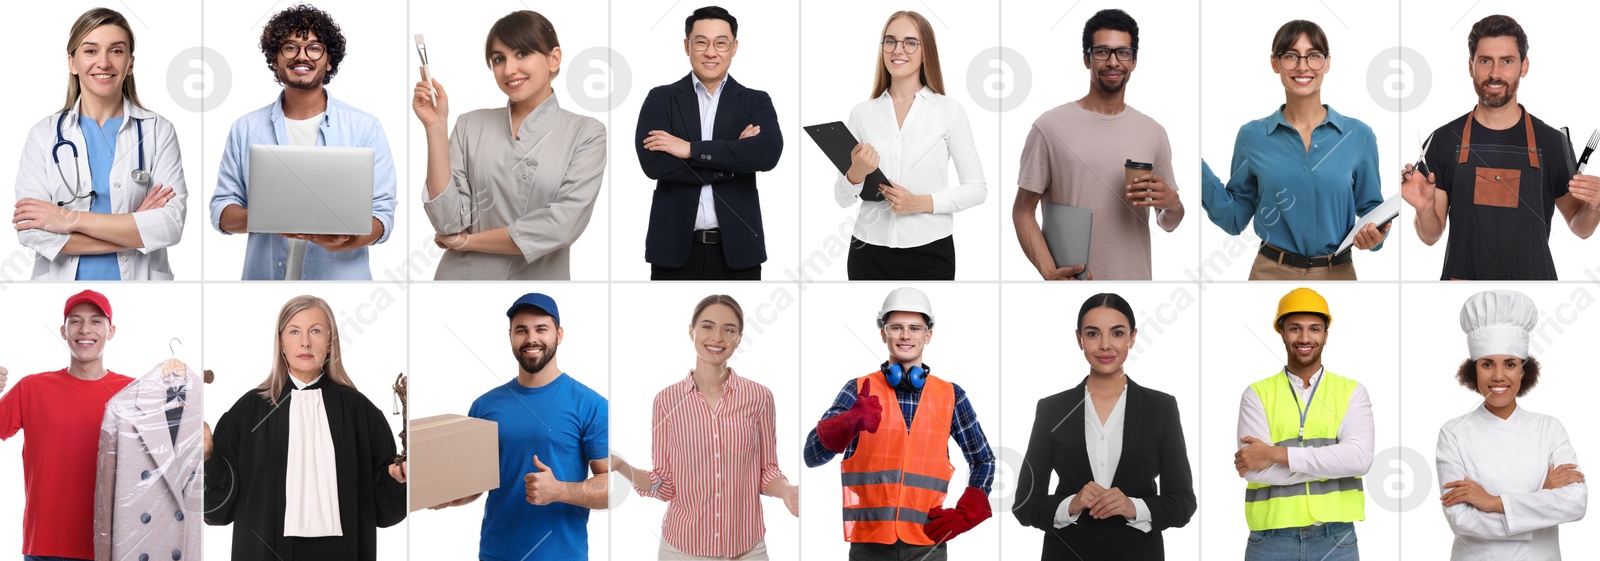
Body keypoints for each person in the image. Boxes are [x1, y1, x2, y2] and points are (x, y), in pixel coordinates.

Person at [203, 295, 407, 561]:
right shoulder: (247, 412)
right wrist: (208, 458)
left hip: (342, 552)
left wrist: (397, 479)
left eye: (316, 331)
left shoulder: (361, 413)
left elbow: (383, 508)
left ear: (331, 342)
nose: (305, 342)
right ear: (281, 343)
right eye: (294, 331)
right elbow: (219, 510)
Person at [1400, 14, 1600, 280]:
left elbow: (1581, 228)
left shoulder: (1552, 142)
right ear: (1471, 66)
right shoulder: (1444, 140)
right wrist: (1424, 208)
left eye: (1507, 61)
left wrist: (1595, 206)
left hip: (1535, 292)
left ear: (1524, 66)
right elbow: (1430, 236)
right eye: (1485, 61)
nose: (1495, 73)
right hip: (1463, 291)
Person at [412, 11, 606, 280]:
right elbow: (448, 222)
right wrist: (435, 127)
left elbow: (562, 225)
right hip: (461, 281)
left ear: (554, 58)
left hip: (538, 282)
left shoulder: (586, 133)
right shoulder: (470, 124)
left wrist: (467, 242)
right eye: (499, 59)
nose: (509, 69)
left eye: (522, 53)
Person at [804, 287, 995, 560]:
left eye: (915, 328)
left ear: (928, 336)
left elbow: (984, 459)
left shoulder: (951, 396)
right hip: (868, 547)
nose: (906, 335)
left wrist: (968, 511)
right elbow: (811, 456)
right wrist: (849, 421)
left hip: (928, 544)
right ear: (883, 333)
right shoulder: (859, 390)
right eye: (896, 327)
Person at [209, 4, 397, 280]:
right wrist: (270, 215)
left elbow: (382, 216)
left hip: (342, 284)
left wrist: (345, 241)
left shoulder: (365, 128)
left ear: (328, 60)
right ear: (275, 59)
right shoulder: (245, 128)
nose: (302, 56)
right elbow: (222, 210)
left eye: (314, 48)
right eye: (290, 47)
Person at [611, 295, 798, 559]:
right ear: (692, 331)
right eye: (708, 326)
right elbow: (664, 484)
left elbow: (767, 471)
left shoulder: (759, 397)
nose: (718, 337)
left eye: (729, 329)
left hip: (747, 548)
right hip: (683, 549)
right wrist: (623, 468)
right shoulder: (666, 401)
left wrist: (787, 490)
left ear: (739, 338)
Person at [428, 293, 611, 560]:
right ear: (510, 336)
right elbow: (475, 484)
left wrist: (559, 490)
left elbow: (610, 488)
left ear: (559, 334)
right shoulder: (484, 406)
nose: (531, 339)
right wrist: (450, 496)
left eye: (541, 329)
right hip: (495, 553)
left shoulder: (590, 404)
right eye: (521, 330)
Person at [1201, 20, 1389, 280]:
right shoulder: (1251, 137)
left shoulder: (1359, 135)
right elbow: (1234, 218)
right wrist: (1196, 170)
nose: (1303, 66)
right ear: (1275, 63)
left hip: (1338, 274)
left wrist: (1376, 236)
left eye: (1314, 56)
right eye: (1291, 56)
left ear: (1327, 63)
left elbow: (1372, 212)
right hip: (1270, 272)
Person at [1012, 293, 1195, 559]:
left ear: (1132, 337)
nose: (1105, 345)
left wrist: (1133, 507)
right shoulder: (1052, 409)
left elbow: (1183, 502)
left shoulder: (1161, 408)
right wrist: (1070, 505)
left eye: (1117, 333)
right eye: (1093, 334)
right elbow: (1025, 504)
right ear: (1079, 339)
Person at [14, 8, 187, 280]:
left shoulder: (157, 130)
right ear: (72, 62)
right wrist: (135, 228)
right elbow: (31, 231)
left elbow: (170, 225)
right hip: (59, 289)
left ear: (130, 63)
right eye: (91, 51)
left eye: (116, 51)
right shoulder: (43, 135)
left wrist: (65, 219)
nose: (104, 63)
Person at [1013, 10, 1184, 281]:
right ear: (1086, 58)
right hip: (1074, 282)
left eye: (1123, 53)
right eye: (1103, 52)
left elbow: (1168, 222)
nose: (1113, 62)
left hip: (1136, 283)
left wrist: (1173, 203)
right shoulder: (1049, 127)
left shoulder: (1153, 132)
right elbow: (1022, 211)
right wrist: (1047, 270)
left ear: (1134, 60)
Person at [834, 11, 986, 280]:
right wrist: (856, 172)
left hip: (930, 250)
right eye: (890, 41)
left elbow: (976, 189)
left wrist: (920, 203)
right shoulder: (862, 113)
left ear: (925, 51)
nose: (898, 50)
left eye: (910, 42)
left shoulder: (949, 110)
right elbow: (842, 198)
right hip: (867, 250)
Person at [1436, 290, 1587, 559]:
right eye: (1486, 364)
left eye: (1509, 363)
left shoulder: (1549, 429)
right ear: (1473, 370)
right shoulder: (1453, 433)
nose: (1498, 376)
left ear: (1523, 370)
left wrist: (1493, 502)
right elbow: (1460, 519)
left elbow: (1576, 503)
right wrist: (1542, 499)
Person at [635, 6, 782, 281]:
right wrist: (733, 160)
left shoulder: (755, 101)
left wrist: (689, 149)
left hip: (738, 251)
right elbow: (653, 163)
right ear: (687, 46)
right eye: (701, 42)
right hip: (673, 249)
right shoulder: (661, 98)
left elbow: (767, 154)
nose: (711, 52)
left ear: (734, 47)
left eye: (721, 43)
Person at [1233, 287, 1373, 560]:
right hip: (1271, 539)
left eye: (1314, 329)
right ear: (1282, 333)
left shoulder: (1353, 391)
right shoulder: (1256, 394)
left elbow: (1360, 460)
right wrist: (1333, 465)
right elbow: (1253, 470)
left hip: (1336, 538)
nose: (1305, 338)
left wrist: (1275, 454)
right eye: (1295, 329)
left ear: (1326, 336)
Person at [0, 290, 135, 561]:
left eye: (96, 321)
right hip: (44, 547)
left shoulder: (133, 392)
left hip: (111, 547)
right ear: (63, 331)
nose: (85, 329)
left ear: (111, 331)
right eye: (76, 321)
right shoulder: (32, 388)